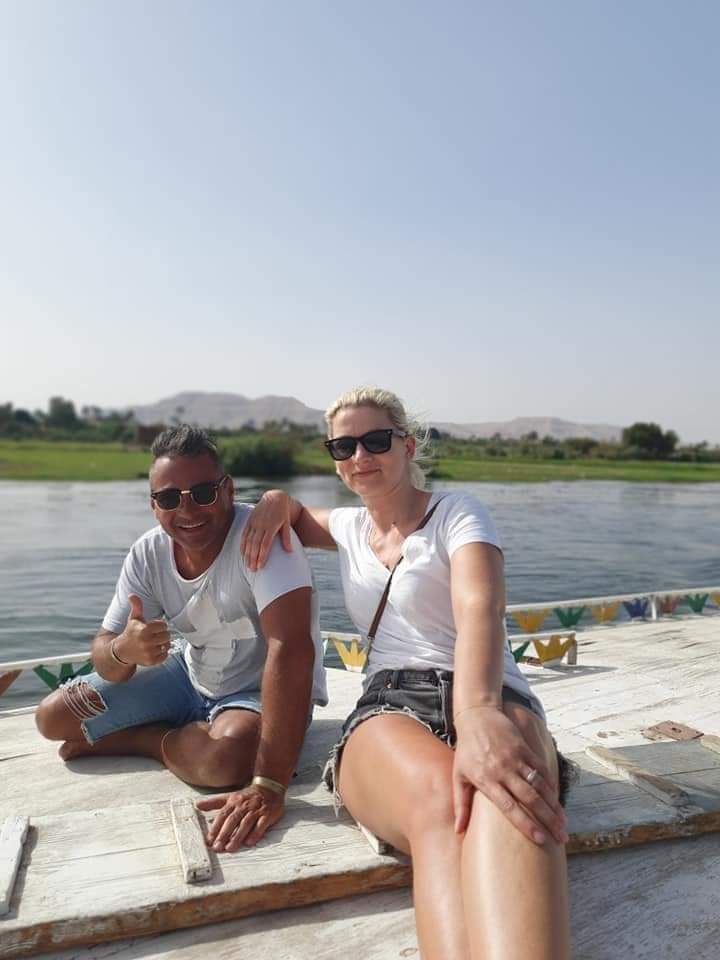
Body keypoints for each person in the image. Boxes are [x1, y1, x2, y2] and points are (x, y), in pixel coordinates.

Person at [240, 387, 571, 960]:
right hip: (391, 704)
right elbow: (290, 512)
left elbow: (480, 607)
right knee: (441, 804)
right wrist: (273, 498)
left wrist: (478, 714)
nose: (359, 456)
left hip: (490, 691)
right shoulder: (347, 527)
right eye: (343, 446)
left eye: (376, 440)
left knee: (506, 798)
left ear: (407, 445)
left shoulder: (458, 512)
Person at [35, 425, 327, 851]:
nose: (187, 510)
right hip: (187, 675)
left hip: (259, 692)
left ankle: (148, 740)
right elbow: (104, 651)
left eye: (203, 493)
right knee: (53, 718)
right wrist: (123, 650)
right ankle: (184, 735)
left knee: (224, 762)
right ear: (154, 505)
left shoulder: (264, 539)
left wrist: (268, 785)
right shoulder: (147, 553)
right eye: (170, 498)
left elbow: (291, 647)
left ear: (228, 490)